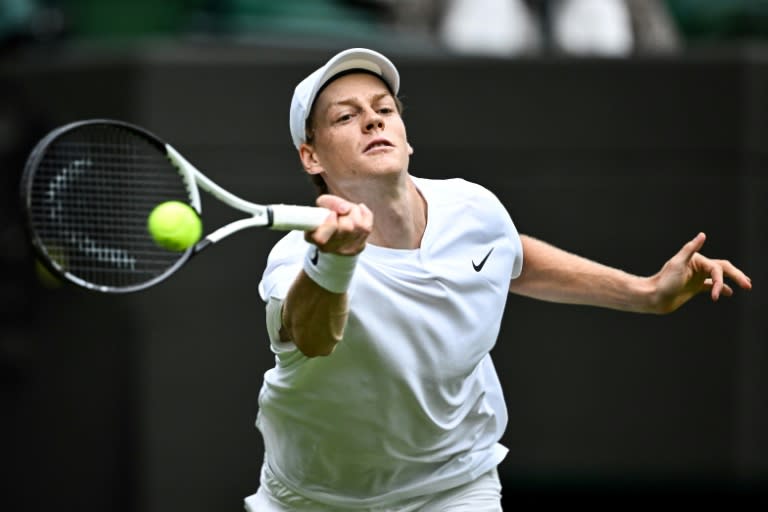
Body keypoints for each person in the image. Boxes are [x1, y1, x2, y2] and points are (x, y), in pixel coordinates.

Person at [244, 48, 752, 511]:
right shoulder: (295, 259)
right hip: (311, 498)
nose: (373, 120)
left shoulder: (472, 208)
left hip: (454, 483)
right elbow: (312, 337)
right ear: (311, 156)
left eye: (385, 108)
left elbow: (511, 257)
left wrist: (644, 293)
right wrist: (335, 260)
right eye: (346, 116)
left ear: (405, 134)